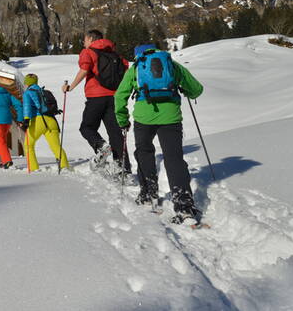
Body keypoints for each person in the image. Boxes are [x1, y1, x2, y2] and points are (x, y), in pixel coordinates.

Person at [114, 44, 204, 224]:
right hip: (171, 118)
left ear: (139, 55)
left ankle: (149, 194)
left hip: (143, 119)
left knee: (144, 152)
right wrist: (184, 89)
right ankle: (184, 205)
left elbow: (119, 96)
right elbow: (197, 89)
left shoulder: (136, 68)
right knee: (174, 158)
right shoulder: (172, 64)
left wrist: (123, 120)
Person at [61, 29, 130, 173]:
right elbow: (125, 71)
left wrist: (70, 87)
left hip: (96, 97)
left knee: (87, 127)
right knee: (115, 133)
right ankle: (123, 169)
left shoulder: (89, 52)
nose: (84, 43)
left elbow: (85, 70)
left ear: (91, 39)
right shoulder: (116, 54)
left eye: (85, 40)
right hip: (114, 98)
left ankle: (101, 146)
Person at [22, 73, 69, 172]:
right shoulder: (43, 92)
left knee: (28, 145)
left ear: (27, 83)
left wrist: (26, 120)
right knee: (56, 146)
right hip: (51, 121)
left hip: (38, 121)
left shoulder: (28, 93)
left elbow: (27, 107)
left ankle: (34, 169)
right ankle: (65, 167)